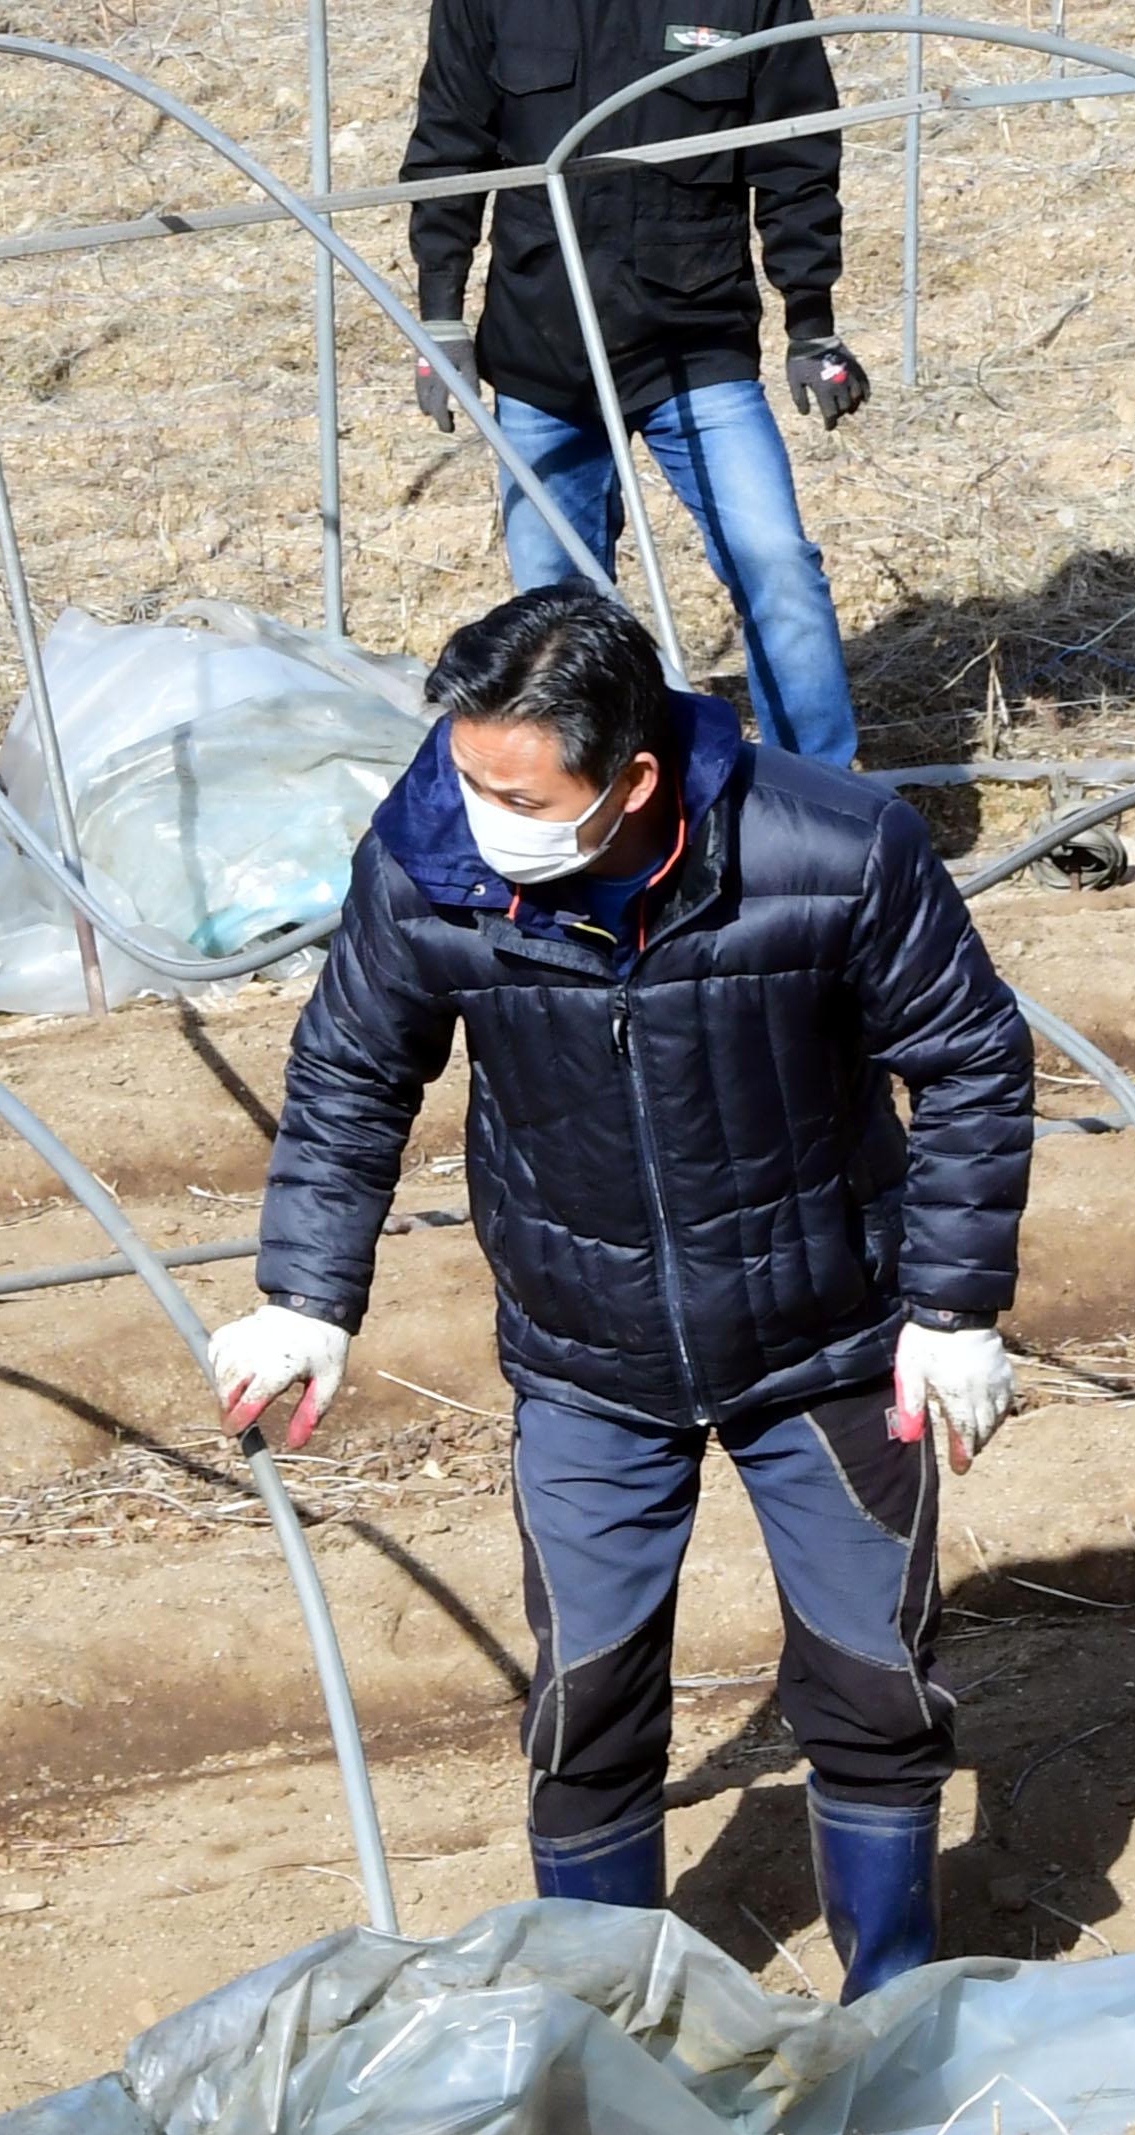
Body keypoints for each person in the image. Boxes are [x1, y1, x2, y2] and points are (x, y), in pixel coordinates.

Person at [219, 583, 1029, 1998]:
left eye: (514, 791)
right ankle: (607, 2025)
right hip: (585, 1352)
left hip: (825, 1337)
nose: (478, 814)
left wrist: (953, 1307)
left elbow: (968, 1057)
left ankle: (893, 2013)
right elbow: (353, 1072)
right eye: (466, 775)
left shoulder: (829, 849)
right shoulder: (428, 864)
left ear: (635, 777)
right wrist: (305, 1295)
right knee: (586, 1707)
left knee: (872, 1690)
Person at [403, 0, 871, 764]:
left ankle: (824, 802)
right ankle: (621, 814)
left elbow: (797, 166)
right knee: (562, 617)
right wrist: (441, 318)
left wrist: (813, 324)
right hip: (538, 353)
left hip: (690, 349)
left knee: (775, 564)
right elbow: (447, 156)